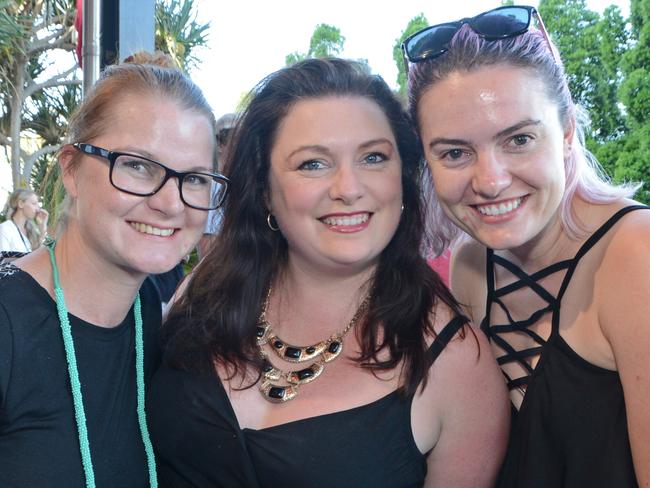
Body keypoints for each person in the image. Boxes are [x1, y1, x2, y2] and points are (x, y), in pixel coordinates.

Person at [148, 58, 509, 488]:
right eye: (313, 164)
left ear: (404, 178)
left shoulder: (458, 364)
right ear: (264, 190)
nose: (348, 188)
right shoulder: (204, 290)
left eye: (373, 157)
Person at [404, 5, 649, 487]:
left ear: (566, 133)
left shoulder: (636, 254)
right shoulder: (472, 262)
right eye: (455, 152)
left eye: (518, 139)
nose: (491, 181)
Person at [0, 53, 228, 487]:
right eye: (138, 166)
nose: (171, 203)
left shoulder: (145, 313)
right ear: (71, 169)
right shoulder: (9, 326)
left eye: (195, 177)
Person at [0, 188, 49, 253]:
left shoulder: (32, 231)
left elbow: (40, 255)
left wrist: (43, 228)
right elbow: (2, 260)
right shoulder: (5, 229)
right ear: (21, 204)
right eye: (34, 204)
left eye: (38, 204)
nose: (38, 208)